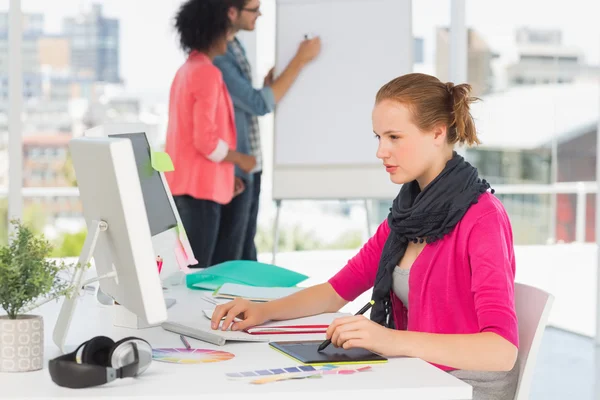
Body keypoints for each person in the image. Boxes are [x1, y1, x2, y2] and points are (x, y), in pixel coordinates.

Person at [211, 73, 520, 400]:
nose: (381, 151)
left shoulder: (483, 217)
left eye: (394, 137)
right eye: (378, 137)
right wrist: (264, 311)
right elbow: (335, 292)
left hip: (464, 387)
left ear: (437, 133)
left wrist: (388, 339)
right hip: (419, 374)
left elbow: (501, 350)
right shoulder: (407, 215)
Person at [212, 0, 321, 262]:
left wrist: (264, 87)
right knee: (233, 255)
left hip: (251, 163)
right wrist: (300, 60)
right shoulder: (218, 54)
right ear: (231, 11)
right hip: (237, 167)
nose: (259, 14)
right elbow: (258, 104)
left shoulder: (235, 46)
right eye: (254, 9)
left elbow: (247, 102)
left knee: (246, 250)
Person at [165, 0, 256, 269]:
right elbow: (205, 141)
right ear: (213, 30)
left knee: (189, 268)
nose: (229, 35)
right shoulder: (207, 73)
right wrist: (241, 160)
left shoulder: (186, 71)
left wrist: (225, 176)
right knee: (199, 272)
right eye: (226, 29)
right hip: (199, 195)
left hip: (187, 187)